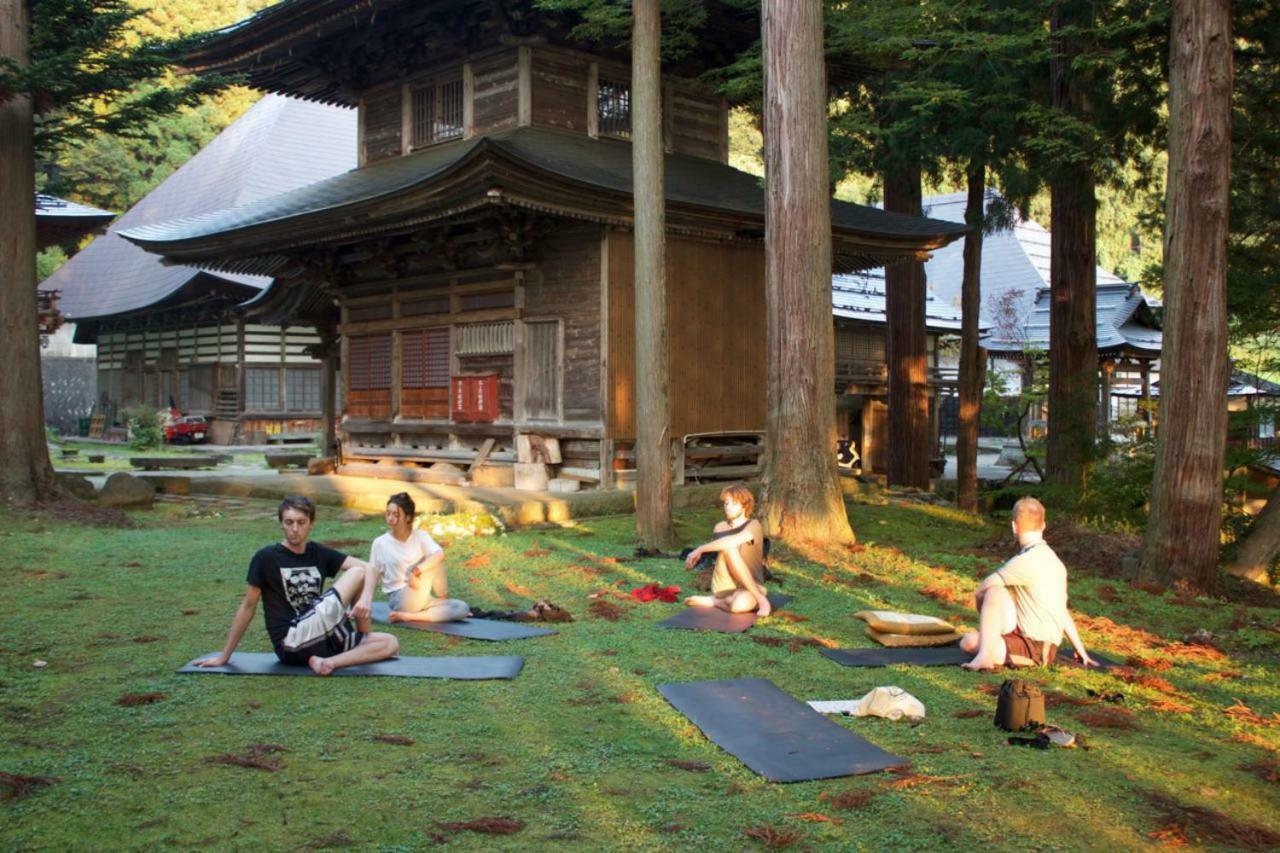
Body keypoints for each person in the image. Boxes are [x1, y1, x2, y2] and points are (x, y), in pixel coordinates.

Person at [196, 495, 399, 675]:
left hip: (320, 638)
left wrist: (365, 600)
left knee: (390, 643)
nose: (295, 529)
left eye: (301, 522)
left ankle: (328, 662)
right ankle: (352, 644)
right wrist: (225, 656)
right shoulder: (266, 558)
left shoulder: (317, 552)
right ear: (281, 523)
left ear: (311, 523)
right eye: (289, 522)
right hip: (290, 642)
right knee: (356, 572)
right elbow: (248, 606)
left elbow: (372, 569)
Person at [960, 496, 1095, 671]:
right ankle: (987, 651)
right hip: (1029, 637)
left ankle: (985, 656)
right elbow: (1061, 610)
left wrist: (986, 616)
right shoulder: (1053, 560)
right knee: (995, 592)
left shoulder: (1026, 561)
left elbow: (980, 591)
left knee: (970, 641)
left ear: (1014, 527)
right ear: (1044, 525)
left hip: (1036, 649)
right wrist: (1080, 649)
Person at [370, 492, 470, 624]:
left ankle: (408, 616)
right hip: (399, 598)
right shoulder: (380, 543)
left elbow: (439, 555)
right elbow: (372, 574)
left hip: (423, 598)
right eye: (388, 513)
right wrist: (364, 603)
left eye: (396, 514)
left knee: (461, 608)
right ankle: (414, 611)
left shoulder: (420, 536)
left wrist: (416, 571)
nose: (390, 518)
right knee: (434, 561)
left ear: (408, 517)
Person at [683, 484, 771, 616]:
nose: (728, 507)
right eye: (726, 503)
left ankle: (715, 602)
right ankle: (761, 599)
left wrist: (700, 549)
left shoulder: (754, 525)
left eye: (734, 503)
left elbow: (734, 540)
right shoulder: (720, 527)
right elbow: (725, 546)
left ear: (744, 505)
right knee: (728, 547)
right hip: (724, 585)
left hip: (749, 585)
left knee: (738, 606)